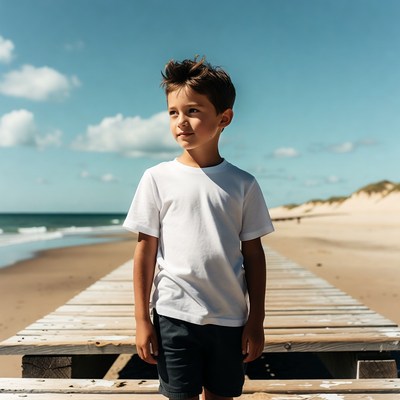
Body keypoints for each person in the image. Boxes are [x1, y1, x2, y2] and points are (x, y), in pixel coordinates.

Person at [123, 57, 274, 400]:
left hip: (230, 318)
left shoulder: (243, 184)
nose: (181, 122)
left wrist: (256, 320)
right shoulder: (156, 178)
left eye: (192, 111)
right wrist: (141, 319)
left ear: (224, 118)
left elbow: (254, 253)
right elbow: (145, 250)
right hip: (174, 314)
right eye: (173, 113)